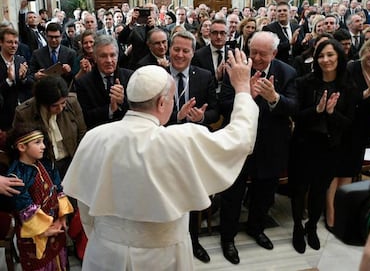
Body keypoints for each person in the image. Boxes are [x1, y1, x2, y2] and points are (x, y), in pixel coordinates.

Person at [62, 49, 259, 270]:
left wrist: (110, 238)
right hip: (163, 257)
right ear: (162, 104)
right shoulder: (180, 140)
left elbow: (86, 209)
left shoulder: (94, 138)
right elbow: (240, 139)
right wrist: (242, 90)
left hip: (105, 253)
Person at [219, 31, 298, 264]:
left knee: (264, 193)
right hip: (239, 145)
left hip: (271, 145)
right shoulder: (237, 69)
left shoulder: (287, 72)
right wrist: (246, 96)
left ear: (274, 53)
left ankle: (256, 228)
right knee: (233, 195)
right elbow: (223, 105)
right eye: (253, 51)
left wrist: (274, 98)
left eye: (263, 54)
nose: (256, 57)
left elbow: (293, 107)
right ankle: (228, 238)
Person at [289, 39, 356, 254]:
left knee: (319, 190)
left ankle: (311, 228)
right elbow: (297, 116)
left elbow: (348, 124)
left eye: (330, 55)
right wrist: (316, 110)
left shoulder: (348, 86)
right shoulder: (304, 83)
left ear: (339, 58)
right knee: (299, 190)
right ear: (315, 59)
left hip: (329, 147)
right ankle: (298, 227)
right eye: (321, 56)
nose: (325, 60)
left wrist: (330, 113)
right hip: (303, 145)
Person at [325, 33, 370, 229]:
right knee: (334, 173)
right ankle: (329, 211)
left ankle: (340, 208)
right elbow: (342, 101)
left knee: (348, 172)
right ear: (364, 49)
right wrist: (366, 94)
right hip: (342, 127)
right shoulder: (349, 68)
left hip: (362, 131)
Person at [166, 30, 219, 263]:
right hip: (165, 146)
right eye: (176, 49)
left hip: (193, 147)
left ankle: (194, 241)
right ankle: (169, 242)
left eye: (185, 50)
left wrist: (201, 118)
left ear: (192, 52)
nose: (180, 54)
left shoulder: (205, 76)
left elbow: (216, 110)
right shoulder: (157, 76)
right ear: (169, 49)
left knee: (193, 197)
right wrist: (176, 117)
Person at [7, 125, 74, 271]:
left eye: (43, 141)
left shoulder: (47, 163)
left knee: (60, 262)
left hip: (56, 226)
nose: (43, 146)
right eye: (37, 142)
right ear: (22, 146)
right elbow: (24, 207)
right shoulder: (16, 175)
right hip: (35, 235)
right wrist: (44, 230)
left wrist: (62, 218)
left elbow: (59, 190)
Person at [13, 76, 87, 179]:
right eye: (55, 105)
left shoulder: (72, 102)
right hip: (43, 166)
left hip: (71, 160)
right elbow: (20, 146)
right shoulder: (25, 113)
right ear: (43, 103)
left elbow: (82, 132)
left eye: (63, 103)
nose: (60, 108)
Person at [74, 35, 133, 129]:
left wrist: (122, 101)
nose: (109, 61)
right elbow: (86, 118)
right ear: (95, 58)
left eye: (113, 55)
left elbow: (138, 111)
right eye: (103, 56)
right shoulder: (83, 83)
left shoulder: (130, 77)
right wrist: (110, 109)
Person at [0, 27, 33, 130]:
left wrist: (23, 78)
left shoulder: (21, 60)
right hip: (5, 116)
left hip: (24, 111)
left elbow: (31, 82)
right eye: (9, 42)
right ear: (1, 43)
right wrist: (9, 81)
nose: (13, 46)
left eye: (16, 42)